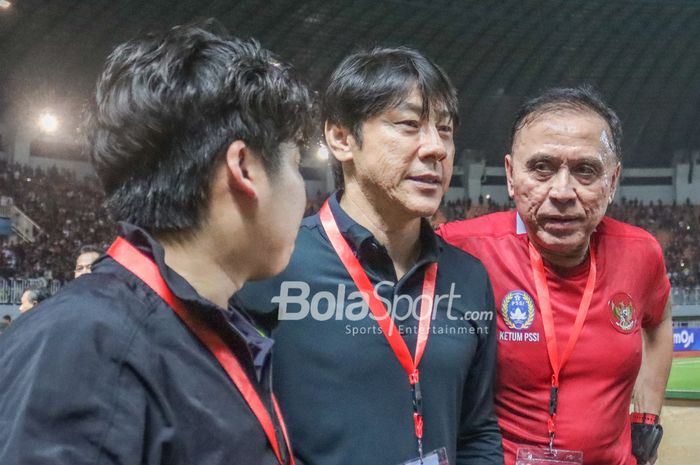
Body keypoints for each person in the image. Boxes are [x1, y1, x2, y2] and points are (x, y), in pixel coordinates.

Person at [0, 23, 314, 465]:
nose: (303, 195)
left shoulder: (207, 325)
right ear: (244, 168)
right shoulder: (85, 345)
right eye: (297, 165)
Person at [237, 47, 503, 465]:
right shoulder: (272, 264)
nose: (436, 148)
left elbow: (477, 430)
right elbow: (238, 431)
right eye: (409, 125)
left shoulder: (468, 279)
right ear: (342, 138)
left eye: (446, 130)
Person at [438, 86, 673, 465]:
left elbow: (659, 321)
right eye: (542, 168)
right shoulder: (459, 249)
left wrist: (646, 417)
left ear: (612, 182)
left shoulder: (640, 252)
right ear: (512, 176)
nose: (562, 191)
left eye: (585, 170)